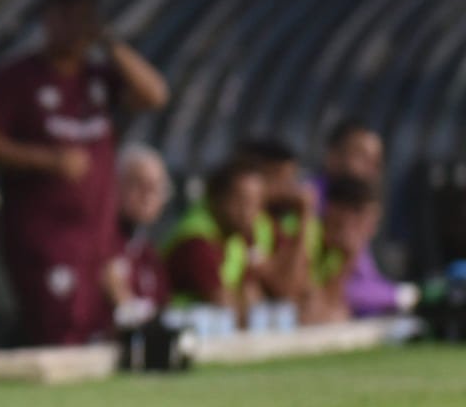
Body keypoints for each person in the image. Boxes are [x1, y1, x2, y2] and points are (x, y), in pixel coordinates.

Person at [0, 0, 169, 345]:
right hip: (44, 238)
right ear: (48, 18)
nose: (76, 27)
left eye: (86, 17)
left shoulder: (98, 78)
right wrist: (49, 160)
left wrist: (110, 42)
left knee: (104, 329)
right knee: (59, 330)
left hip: (98, 237)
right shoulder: (17, 78)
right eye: (67, 17)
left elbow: (155, 95)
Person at [314, 120, 417, 316]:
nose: (371, 170)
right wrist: (400, 296)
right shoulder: (310, 206)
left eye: (377, 162)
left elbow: (365, 278)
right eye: (362, 157)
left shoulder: (357, 206)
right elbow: (322, 289)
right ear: (332, 157)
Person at [162, 160, 268, 326]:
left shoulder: (237, 236)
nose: (252, 213)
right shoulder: (195, 242)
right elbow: (227, 309)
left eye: (257, 203)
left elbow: (253, 301)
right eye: (243, 202)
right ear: (217, 198)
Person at [234, 139, 318, 307]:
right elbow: (286, 290)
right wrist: (304, 216)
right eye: (285, 179)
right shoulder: (241, 221)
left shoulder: (273, 224)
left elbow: (302, 285)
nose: (292, 188)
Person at [102, 144, 171, 331]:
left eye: (156, 187)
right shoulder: (100, 243)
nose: (148, 195)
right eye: (138, 184)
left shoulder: (148, 252)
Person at [304, 176, 383, 324]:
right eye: (368, 219)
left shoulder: (345, 248)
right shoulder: (308, 237)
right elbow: (314, 308)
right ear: (338, 212)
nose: (373, 229)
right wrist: (348, 259)